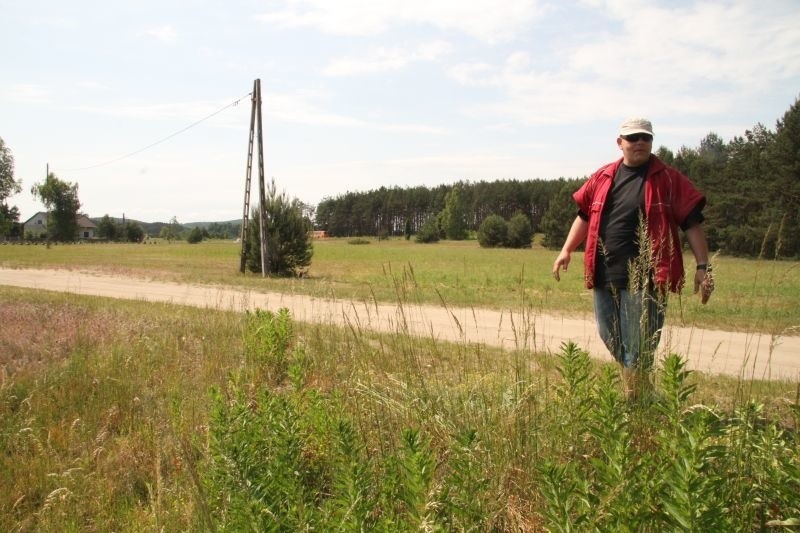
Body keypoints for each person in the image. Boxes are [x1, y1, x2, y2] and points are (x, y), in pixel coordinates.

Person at [551, 117, 714, 400]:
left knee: (638, 345)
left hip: (649, 276)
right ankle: (646, 393)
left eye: (645, 138)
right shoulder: (603, 177)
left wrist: (703, 265)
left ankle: (635, 401)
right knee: (610, 336)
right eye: (633, 137)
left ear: (652, 142)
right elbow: (584, 216)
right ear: (620, 143)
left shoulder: (670, 179)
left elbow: (692, 223)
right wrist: (566, 249)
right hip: (605, 273)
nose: (640, 142)